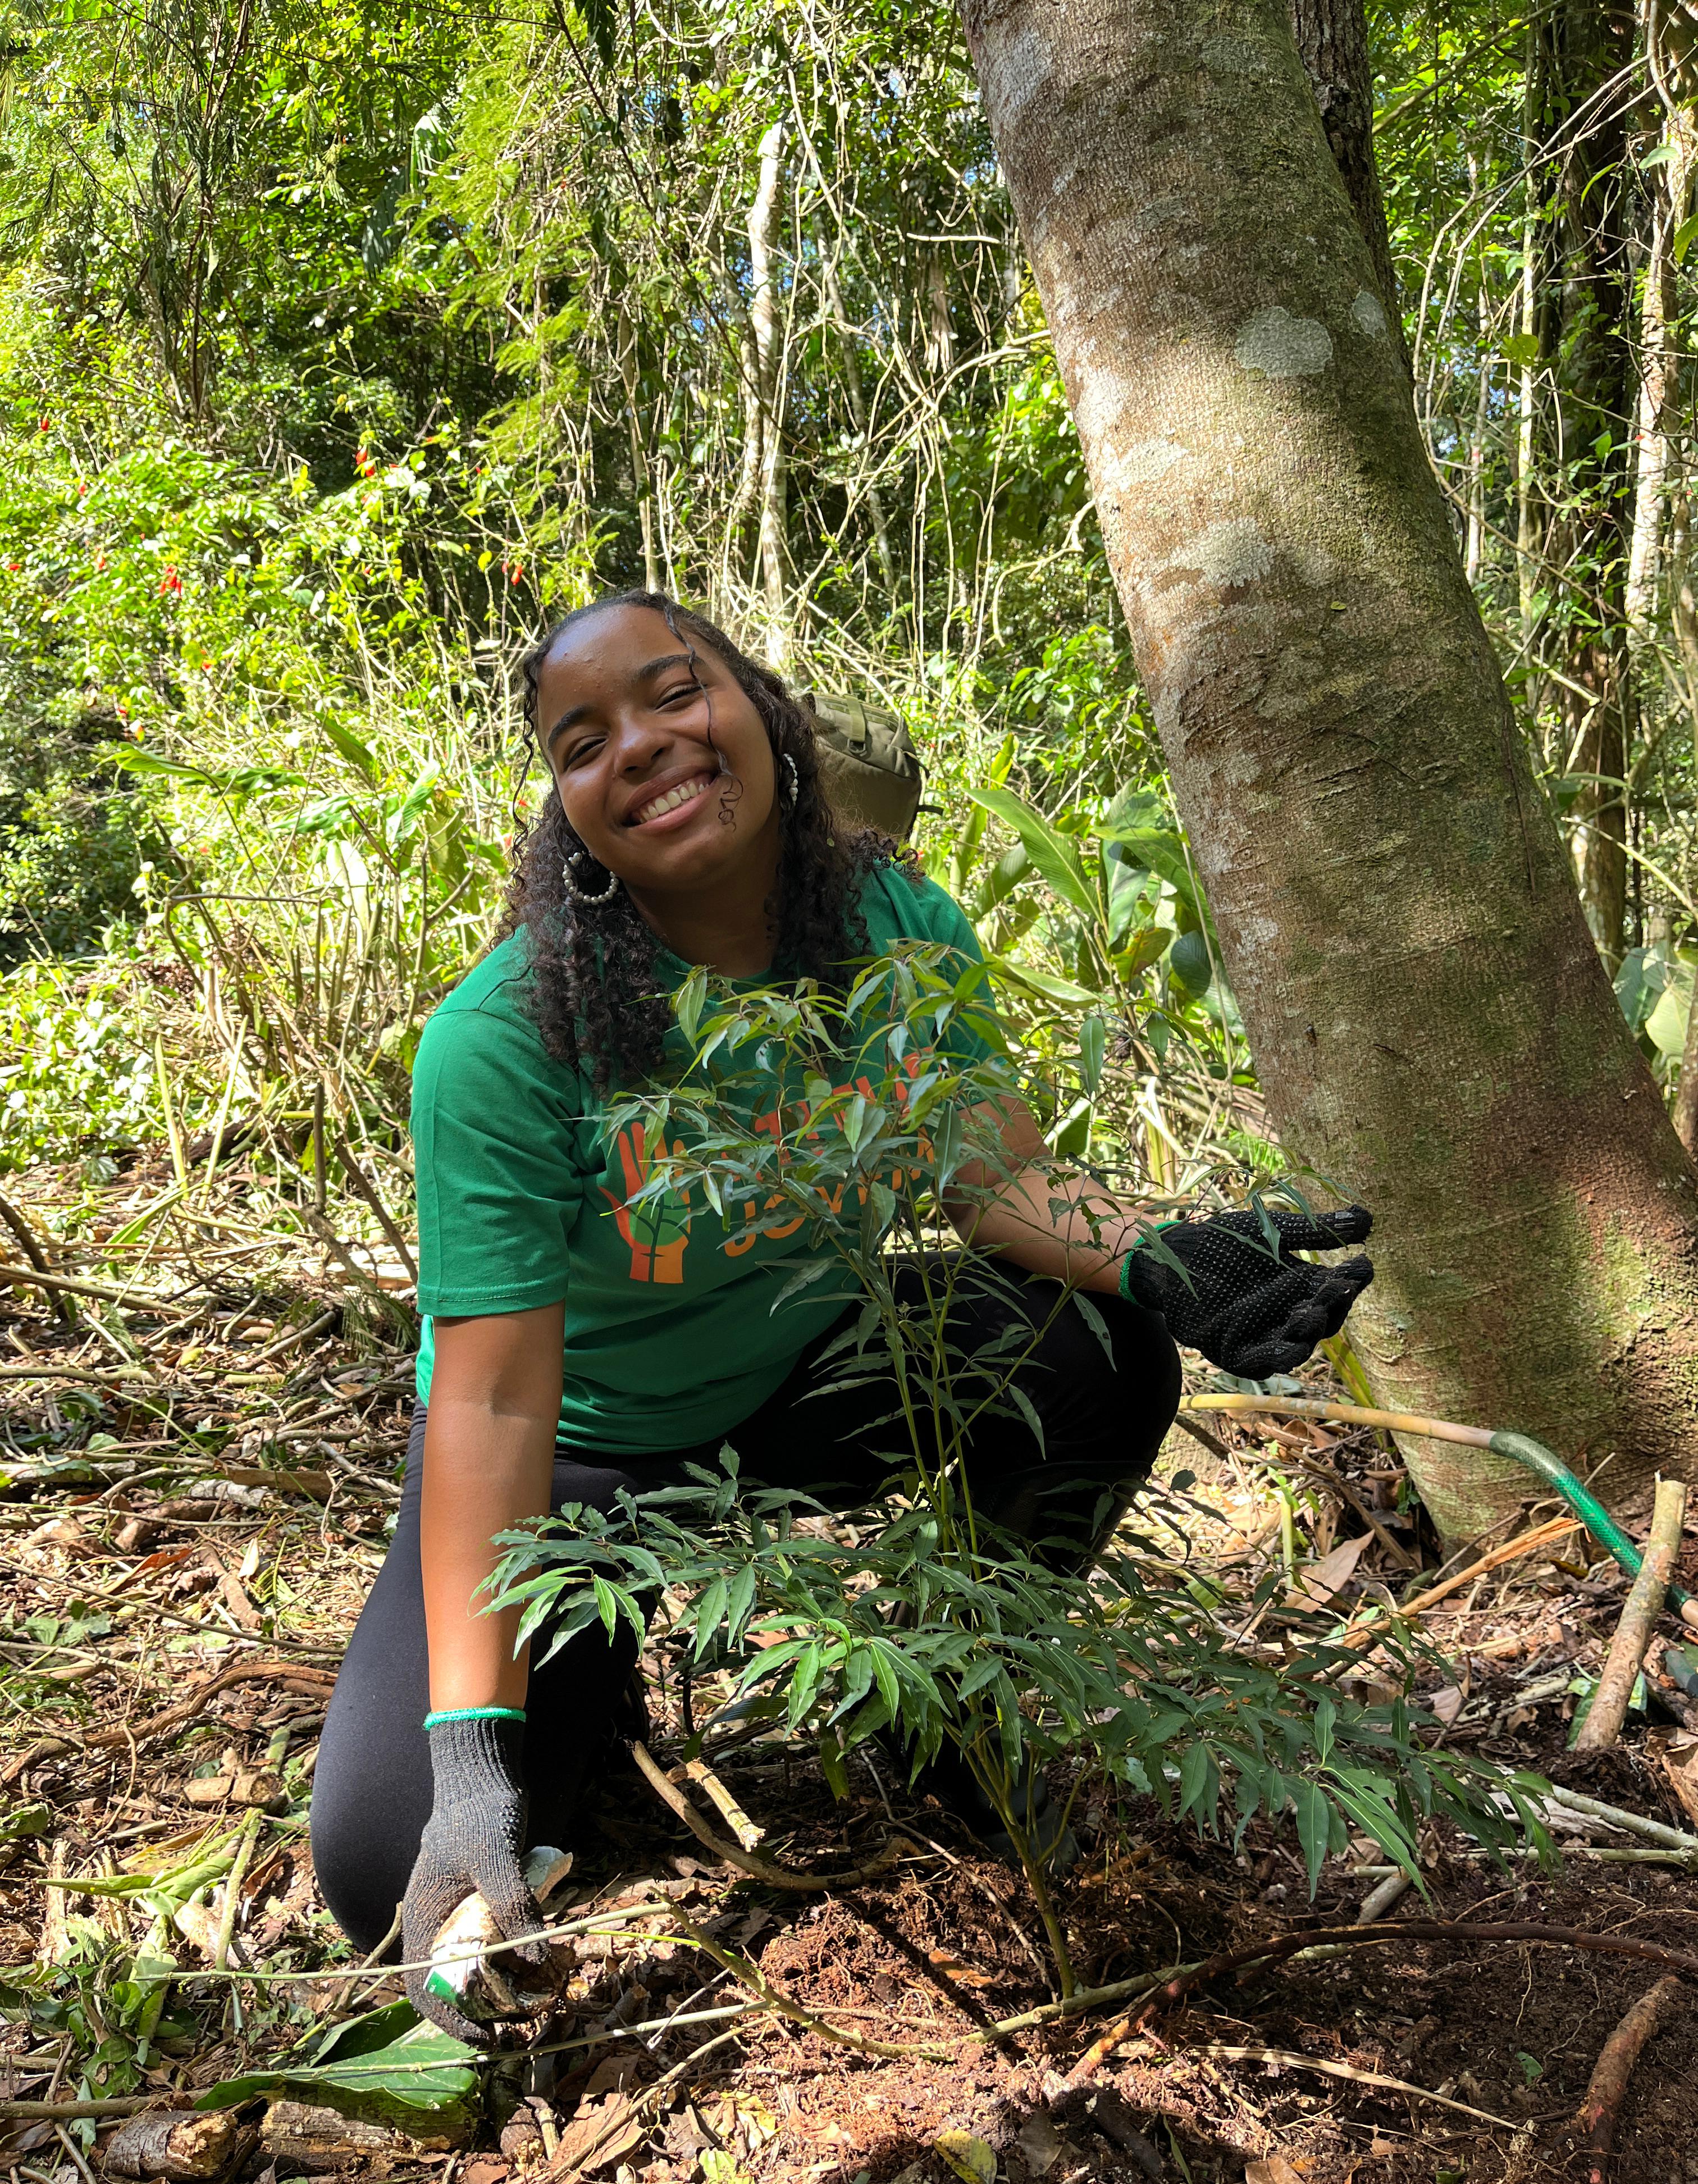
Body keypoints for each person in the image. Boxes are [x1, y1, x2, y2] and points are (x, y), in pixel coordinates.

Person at [309, 589, 1374, 2037]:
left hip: (808, 1375)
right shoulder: (504, 1042)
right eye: (582, 740)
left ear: (759, 710)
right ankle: (577, 1711)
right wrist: (472, 1766)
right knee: (386, 1871)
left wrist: (1170, 1263)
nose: (639, 745)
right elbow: (489, 1405)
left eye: (672, 692)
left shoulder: (893, 923)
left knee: (1097, 1349)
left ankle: (942, 1718)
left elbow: (997, 1181)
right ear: (565, 807)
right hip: (580, 1460)